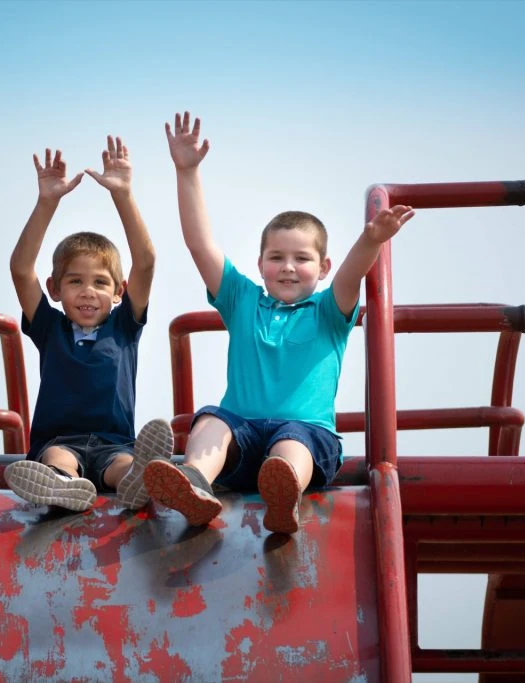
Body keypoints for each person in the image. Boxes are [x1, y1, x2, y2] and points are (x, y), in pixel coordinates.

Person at [144, 112, 414, 534]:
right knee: (212, 418)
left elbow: (351, 275)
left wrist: (371, 239)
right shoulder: (243, 300)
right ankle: (195, 483)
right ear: (260, 264)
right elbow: (200, 244)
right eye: (277, 258)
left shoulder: (328, 311)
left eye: (302, 258)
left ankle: (284, 496)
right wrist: (187, 172)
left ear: (321, 266)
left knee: (293, 442)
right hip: (242, 436)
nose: (288, 268)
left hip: (304, 435)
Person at [4, 136, 173, 513]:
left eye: (100, 282)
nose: (88, 292)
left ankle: (140, 482)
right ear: (55, 289)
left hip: (116, 444)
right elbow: (20, 269)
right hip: (59, 442)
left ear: (118, 292)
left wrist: (123, 196)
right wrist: (47, 202)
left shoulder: (124, 326)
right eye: (75, 281)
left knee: (124, 466)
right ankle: (61, 488)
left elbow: (145, 262)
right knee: (60, 461)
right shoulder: (50, 328)